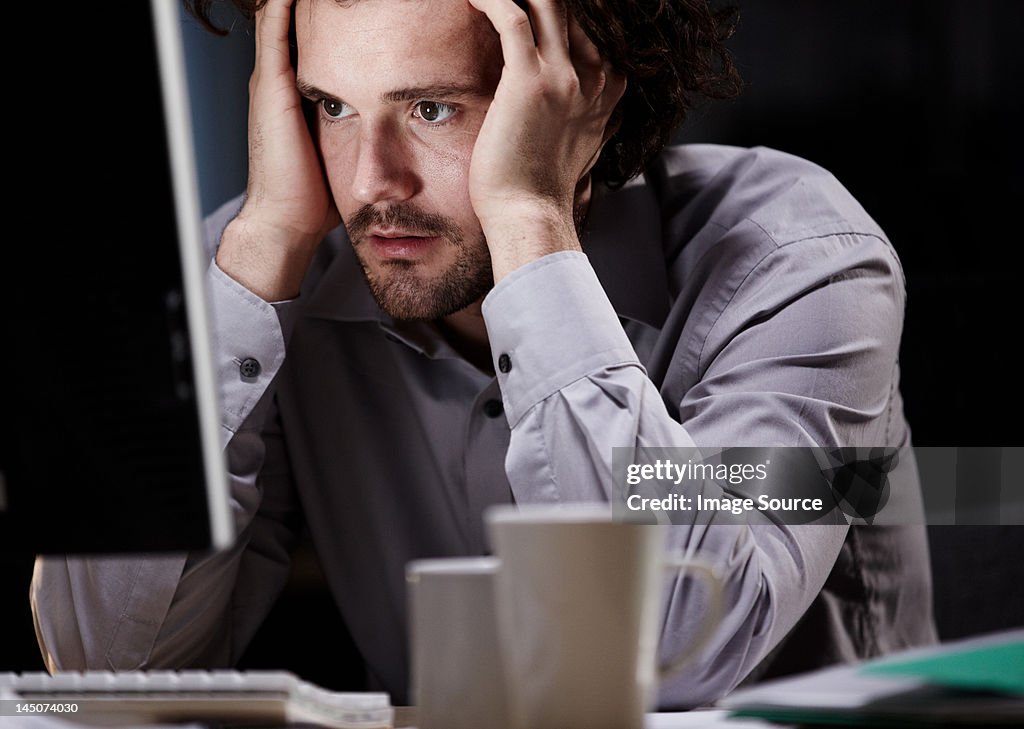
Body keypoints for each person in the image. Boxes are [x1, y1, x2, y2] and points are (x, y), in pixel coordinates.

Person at [31, 0, 937, 709]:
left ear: (583, 89)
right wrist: (263, 245)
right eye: (331, 106)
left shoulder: (803, 266)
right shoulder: (262, 268)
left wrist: (530, 227)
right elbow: (104, 668)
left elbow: (669, 647)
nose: (372, 181)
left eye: (432, 107)